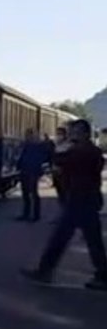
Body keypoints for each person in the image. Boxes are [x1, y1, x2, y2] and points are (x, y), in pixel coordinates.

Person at [21, 119, 107, 290]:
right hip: (87, 200)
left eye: (74, 132)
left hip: (79, 201)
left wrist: (62, 145)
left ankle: (44, 272)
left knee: (62, 238)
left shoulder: (80, 151)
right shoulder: (93, 151)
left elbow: (59, 158)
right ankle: (102, 276)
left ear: (82, 133)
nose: (71, 136)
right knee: (91, 241)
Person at [14, 128, 50, 222]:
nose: (27, 137)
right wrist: (19, 166)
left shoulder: (39, 146)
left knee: (33, 193)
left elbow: (44, 157)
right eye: (27, 135)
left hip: (33, 170)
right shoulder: (26, 145)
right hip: (25, 170)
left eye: (29, 135)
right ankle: (27, 214)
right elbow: (21, 157)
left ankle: (35, 215)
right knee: (26, 193)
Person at [51, 126, 71, 214]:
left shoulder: (67, 146)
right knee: (60, 195)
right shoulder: (56, 145)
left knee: (65, 195)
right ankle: (63, 214)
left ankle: (66, 215)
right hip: (56, 174)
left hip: (64, 174)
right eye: (57, 134)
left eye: (60, 134)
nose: (58, 136)